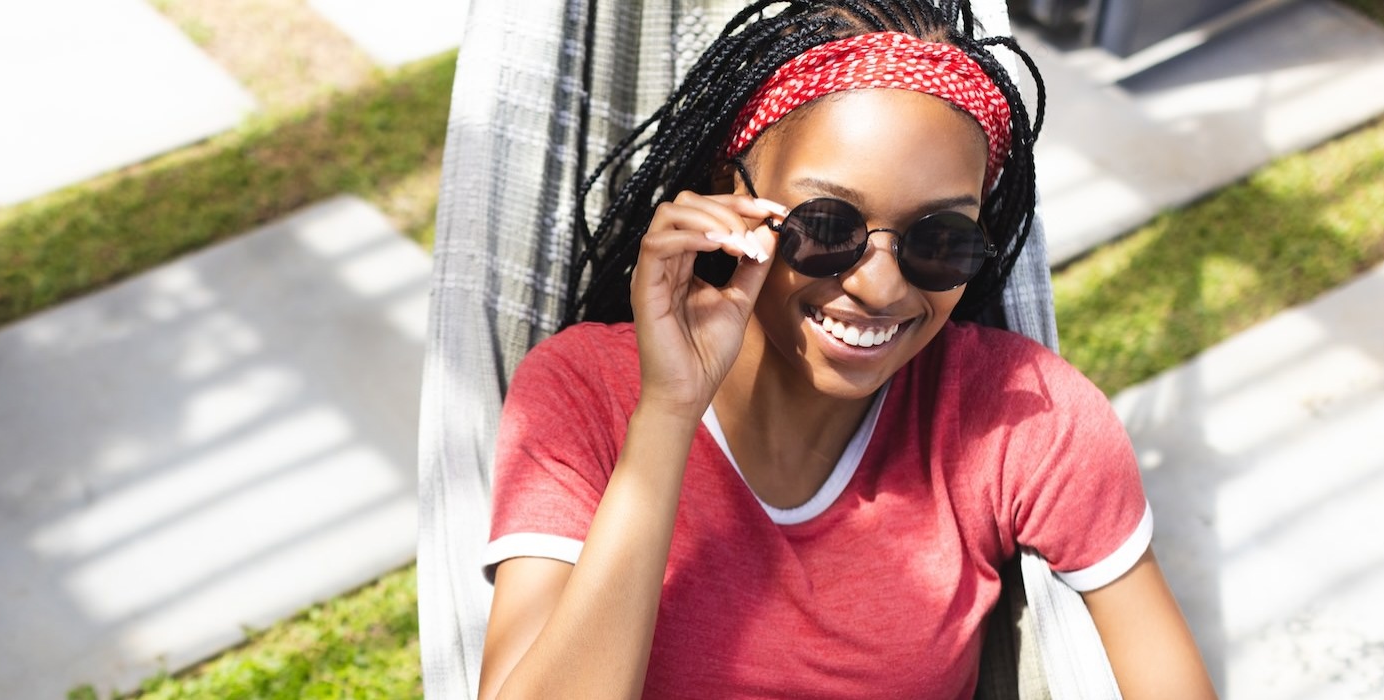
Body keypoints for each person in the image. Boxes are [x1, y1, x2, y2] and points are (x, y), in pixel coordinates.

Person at [475, 1, 1217, 698]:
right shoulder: (581, 393)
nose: (883, 287)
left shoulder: (1018, 418)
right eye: (826, 226)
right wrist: (669, 412)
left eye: (941, 238)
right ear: (724, 197)